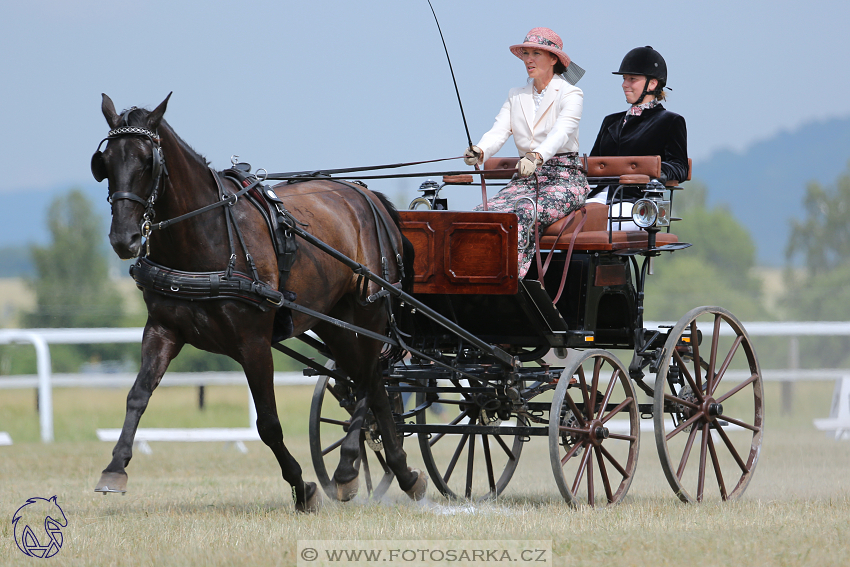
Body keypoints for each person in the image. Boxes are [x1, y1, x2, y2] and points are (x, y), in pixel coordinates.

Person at [463, 27, 590, 278]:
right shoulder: (516, 95)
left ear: (554, 59)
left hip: (564, 180)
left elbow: (561, 132)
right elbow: (499, 130)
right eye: (525, 54)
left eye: (536, 53)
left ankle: (509, 282)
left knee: (521, 214)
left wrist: (537, 156)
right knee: (479, 215)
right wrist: (479, 150)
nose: (528, 60)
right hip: (525, 180)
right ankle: (473, 277)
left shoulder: (571, 93)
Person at [587, 46, 688, 229]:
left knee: (597, 223)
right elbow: (594, 165)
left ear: (652, 84)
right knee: (565, 221)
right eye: (624, 79)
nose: (624, 84)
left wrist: (649, 172)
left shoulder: (670, 121)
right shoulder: (610, 121)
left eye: (632, 79)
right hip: (598, 196)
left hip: (637, 201)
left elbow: (679, 167)